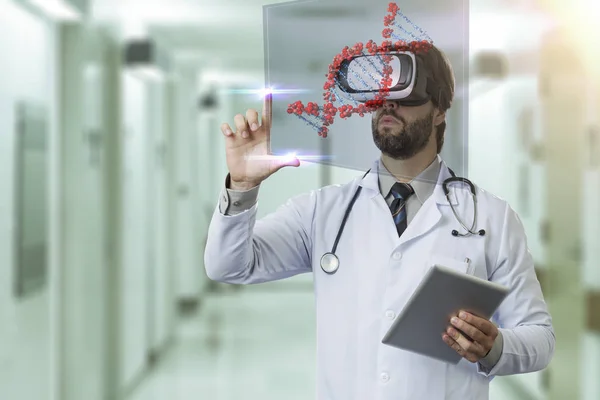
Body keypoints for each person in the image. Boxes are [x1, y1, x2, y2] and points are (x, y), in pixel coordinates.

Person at [204, 44, 555, 400]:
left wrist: (495, 345)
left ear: (439, 110)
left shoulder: (491, 217)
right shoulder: (323, 210)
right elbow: (227, 267)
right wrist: (243, 187)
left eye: (405, 95)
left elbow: (540, 338)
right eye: (380, 94)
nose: (388, 103)